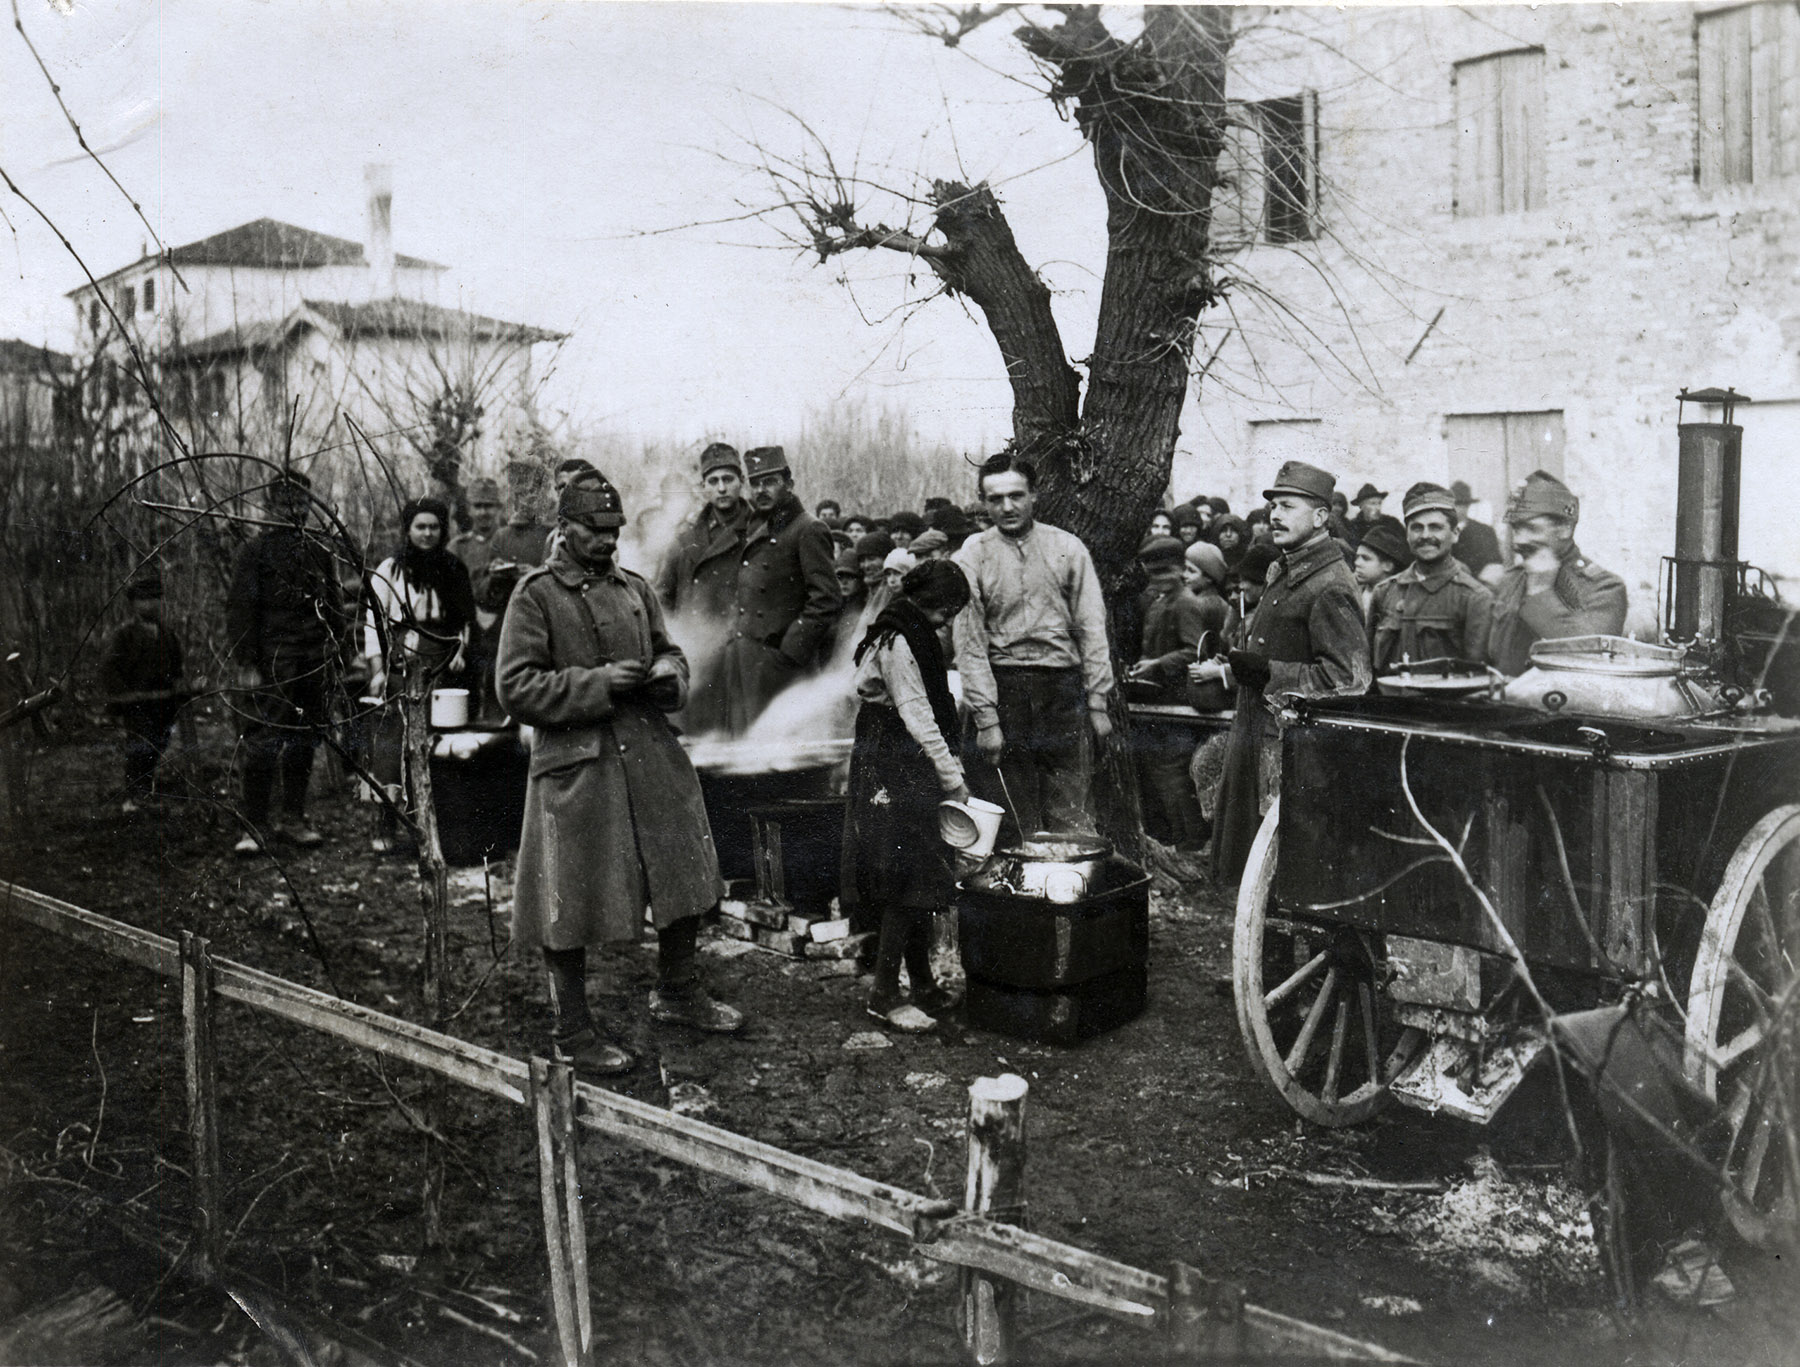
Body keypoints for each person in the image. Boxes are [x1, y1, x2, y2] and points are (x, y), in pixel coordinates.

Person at [497, 473, 744, 1077]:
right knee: (567, 894)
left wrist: (668, 676)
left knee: (681, 867)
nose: (609, 543)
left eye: (614, 532)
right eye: (595, 532)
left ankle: (679, 991)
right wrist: (598, 685)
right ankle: (571, 1028)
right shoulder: (536, 596)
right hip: (577, 764)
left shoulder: (634, 588)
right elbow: (514, 686)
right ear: (563, 528)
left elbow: (672, 652)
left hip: (649, 753)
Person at [1197, 461, 1371, 883]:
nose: (1275, 515)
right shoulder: (1284, 568)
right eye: (1273, 505)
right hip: (1260, 737)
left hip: (1294, 753)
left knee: (1289, 870)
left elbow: (1350, 679)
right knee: (1262, 873)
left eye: (1288, 506)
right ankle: (1268, 948)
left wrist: (1267, 672)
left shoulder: (1329, 583)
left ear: (1320, 517)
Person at [953, 453, 1113, 839]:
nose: (1007, 507)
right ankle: (1017, 897)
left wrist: (1097, 703)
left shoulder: (1068, 548)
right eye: (995, 499)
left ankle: (1068, 893)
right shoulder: (972, 555)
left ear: (1034, 495)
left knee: (1070, 809)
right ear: (983, 501)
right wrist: (987, 720)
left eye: (1016, 495)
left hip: (1061, 693)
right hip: (1003, 691)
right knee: (1007, 816)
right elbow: (969, 643)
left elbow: (1092, 627)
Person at [845, 560, 973, 1032]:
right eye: (947, 610)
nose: (948, 621)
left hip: (895, 757)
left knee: (919, 875)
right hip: (896, 763)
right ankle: (884, 994)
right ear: (931, 603)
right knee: (902, 880)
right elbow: (919, 717)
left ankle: (921, 983)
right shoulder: (901, 642)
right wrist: (952, 775)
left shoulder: (900, 626)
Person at [224, 471, 349, 855]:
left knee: (304, 738)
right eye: (286, 503)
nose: (295, 511)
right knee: (263, 739)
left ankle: (293, 817)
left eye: (301, 503)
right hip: (274, 660)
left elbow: (333, 602)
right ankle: (254, 825)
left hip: (313, 658)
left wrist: (338, 650)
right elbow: (241, 609)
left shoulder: (319, 550)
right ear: (272, 505)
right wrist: (247, 661)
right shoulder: (256, 551)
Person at [365, 498, 478, 853]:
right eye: (420, 527)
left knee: (437, 741)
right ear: (408, 530)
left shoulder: (453, 567)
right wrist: (378, 670)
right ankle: (387, 823)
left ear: (443, 530)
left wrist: (459, 651)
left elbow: (464, 621)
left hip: (441, 665)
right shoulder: (390, 569)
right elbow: (374, 623)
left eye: (434, 527)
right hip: (401, 663)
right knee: (391, 744)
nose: (427, 534)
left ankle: (434, 822)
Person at [716, 446, 841, 734]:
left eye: (770, 482)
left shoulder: (808, 529)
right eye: (756, 483)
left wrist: (790, 651)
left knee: (782, 754)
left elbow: (826, 599)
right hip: (747, 664)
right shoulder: (758, 529)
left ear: (789, 484)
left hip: (781, 668)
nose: (761, 490)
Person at [1127, 537, 1219, 851]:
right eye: (1153, 574)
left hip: (1177, 701)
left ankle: (1190, 841)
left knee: (1174, 775)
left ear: (1179, 570)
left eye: (1165, 572)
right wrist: (1144, 665)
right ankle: (1173, 838)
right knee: (1158, 774)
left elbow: (1196, 650)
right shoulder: (1158, 602)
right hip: (1157, 699)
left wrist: (1157, 665)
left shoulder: (1185, 603)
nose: (1159, 579)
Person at [1486, 471, 1627, 676]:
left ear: (1565, 528)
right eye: (1516, 529)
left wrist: (1542, 592)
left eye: (1531, 528)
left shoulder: (1604, 588)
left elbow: (1590, 660)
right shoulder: (1510, 580)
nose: (1518, 541)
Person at [655, 443, 750, 736]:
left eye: (728, 479)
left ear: (741, 483)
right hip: (696, 656)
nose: (721, 488)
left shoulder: (760, 532)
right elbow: (661, 598)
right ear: (703, 487)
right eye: (713, 481)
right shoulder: (685, 539)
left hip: (742, 660)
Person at [1369, 483, 1495, 673]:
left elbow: (1475, 677)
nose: (1425, 536)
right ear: (1407, 535)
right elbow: (1367, 668)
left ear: (1455, 534)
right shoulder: (1384, 592)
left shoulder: (1475, 598)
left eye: (1435, 527)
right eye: (1417, 528)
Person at [102, 569, 187, 814]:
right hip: (136, 702)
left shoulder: (167, 633)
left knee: (158, 744)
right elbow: (109, 668)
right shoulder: (124, 635)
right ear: (133, 604)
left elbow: (177, 665)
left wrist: (179, 686)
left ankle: (144, 790)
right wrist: (124, 695)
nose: (149, 604)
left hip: (164, 703)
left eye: (154, 599)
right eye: (143, 599)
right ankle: (134, 796)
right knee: (140, 745)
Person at [450, 477, 505, 718]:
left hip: (503, 629)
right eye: (478, 506)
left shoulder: (508, 541)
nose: (484, 512)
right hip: (468, 632)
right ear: (469, 509)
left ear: (499, 508)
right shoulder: (457, 548)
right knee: (464, 698)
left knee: (501, 695)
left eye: (489, 505)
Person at [491, 460, 552, 569]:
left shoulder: (551, 536)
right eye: (520, 494)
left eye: (532, 492)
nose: (525, 501)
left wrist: (533, 573)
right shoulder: (501, 536)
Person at [1352, 521, 1411, 619]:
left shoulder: (1399, 599)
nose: (1357, 563)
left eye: (1366, 558)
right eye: (1357, 557)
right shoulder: (1354, 590)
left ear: (1388, 566)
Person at [1450, 480, 1505, 585]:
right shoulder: (1440, 532)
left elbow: (1495, 566)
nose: (1457, 508)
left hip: (1478, 590)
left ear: (1468, 506)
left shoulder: (1485, 532)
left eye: (1462, 504)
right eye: (1454, 504)